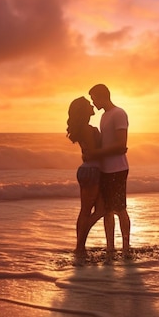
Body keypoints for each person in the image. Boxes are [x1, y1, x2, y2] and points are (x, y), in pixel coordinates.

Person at [85, 84, 131, 260]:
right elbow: (108, 144)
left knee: (120, 209)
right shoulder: (104, 116)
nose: (93, 102)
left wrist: (95, 153)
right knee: (107, 210)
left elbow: (121, 145)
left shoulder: (119, 113)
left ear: (102, 96)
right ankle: (110, 247)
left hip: (118, 168)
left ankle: (126, 247)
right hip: (104, 169)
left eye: (94, 98)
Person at [66, 96, 105, 256]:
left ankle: (80, 246)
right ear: (84, 110)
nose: (92, 105)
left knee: (89, 210)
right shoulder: (88, 129)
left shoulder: (84, 128)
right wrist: (117, 149)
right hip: (92, 171)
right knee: (95, 210)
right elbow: (92, 153)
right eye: (89, 104)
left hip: (87, 170)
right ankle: (80, 247)